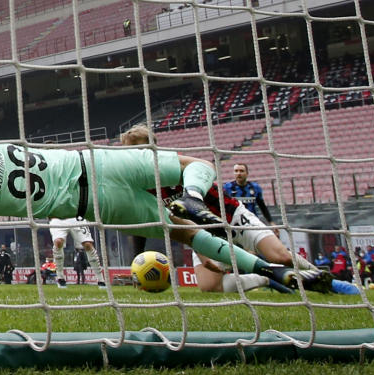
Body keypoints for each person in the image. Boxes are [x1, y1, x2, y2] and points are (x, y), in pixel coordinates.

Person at [0, 135, 331, 292]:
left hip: (93, 203)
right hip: (97, 160)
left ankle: (271, 272)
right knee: (197, 165)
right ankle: (197, 198)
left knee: (185, 237)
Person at [121, 123, 357, 295]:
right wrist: (203, 256)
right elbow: (178, 223)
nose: (135, 157)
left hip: (232, 216)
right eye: (128, 153)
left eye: (140, 150)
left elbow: (204, 172)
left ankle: (330, 283)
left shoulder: (175, 164)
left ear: (153, 149)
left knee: (280, 256)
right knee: (209, 286)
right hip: (205, 233)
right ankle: (266, 280)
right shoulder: (140, 187)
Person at [49, 217, 102, 287]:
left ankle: (101, 279)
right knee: (58, 242)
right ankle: (60, 277)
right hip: (58, 217)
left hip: (76, 217)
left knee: (87, 245)